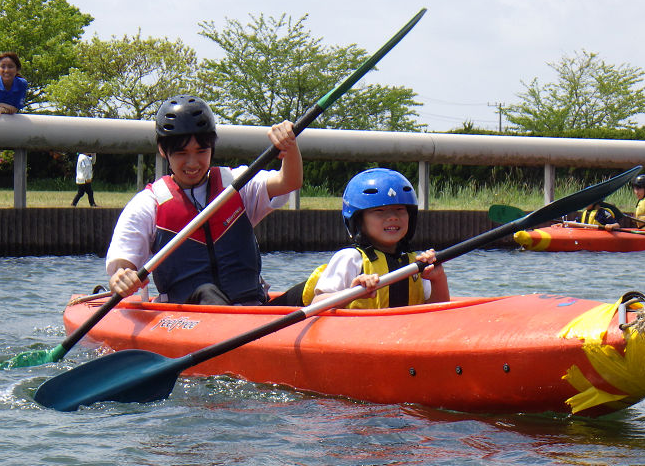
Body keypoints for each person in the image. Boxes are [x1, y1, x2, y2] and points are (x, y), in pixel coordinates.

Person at [106, 95, 302, 305]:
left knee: (315, 284)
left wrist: (289, 145)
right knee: (207, 292)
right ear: (163, 150)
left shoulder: (237, 185)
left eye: (201, 151)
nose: (193, 163)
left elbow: (289, 181)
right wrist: (121, 276)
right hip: (189, 316)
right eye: (182, 153)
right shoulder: (147, 204)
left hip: (252, 311)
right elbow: (122, 262)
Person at [304, 168, 449, 309]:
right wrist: (353, 293)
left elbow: (439, 309)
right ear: (359, 221)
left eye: (400, 209)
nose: (393, 217)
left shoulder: (414, 264)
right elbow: (317, 303)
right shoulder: (350, 259)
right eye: (379, 211)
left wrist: (438, 278)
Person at [0, 52, 28, 182]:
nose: (6, 70)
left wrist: (1, 110)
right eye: (3, 66)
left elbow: (15, 108)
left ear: (17, 69)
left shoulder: (22, 84)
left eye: (10, 66)